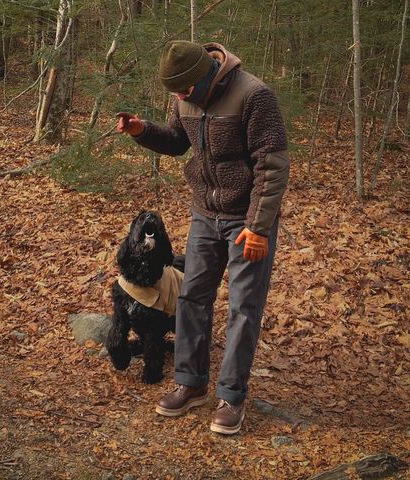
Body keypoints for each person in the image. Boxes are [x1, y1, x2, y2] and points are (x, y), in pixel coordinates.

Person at [117, 40, 289, 435]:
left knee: (244, 307)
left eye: (184, 91)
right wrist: (143, 131)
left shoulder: (254, 95)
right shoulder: (184, 96)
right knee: (192, 297)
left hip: (247, 219)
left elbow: (273, 164)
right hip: (205, 215)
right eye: (174, 93)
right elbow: (178, 142)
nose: (178, 97)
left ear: (208, 74)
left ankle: (231, 396)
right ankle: (190, 383)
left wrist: (259, 226)